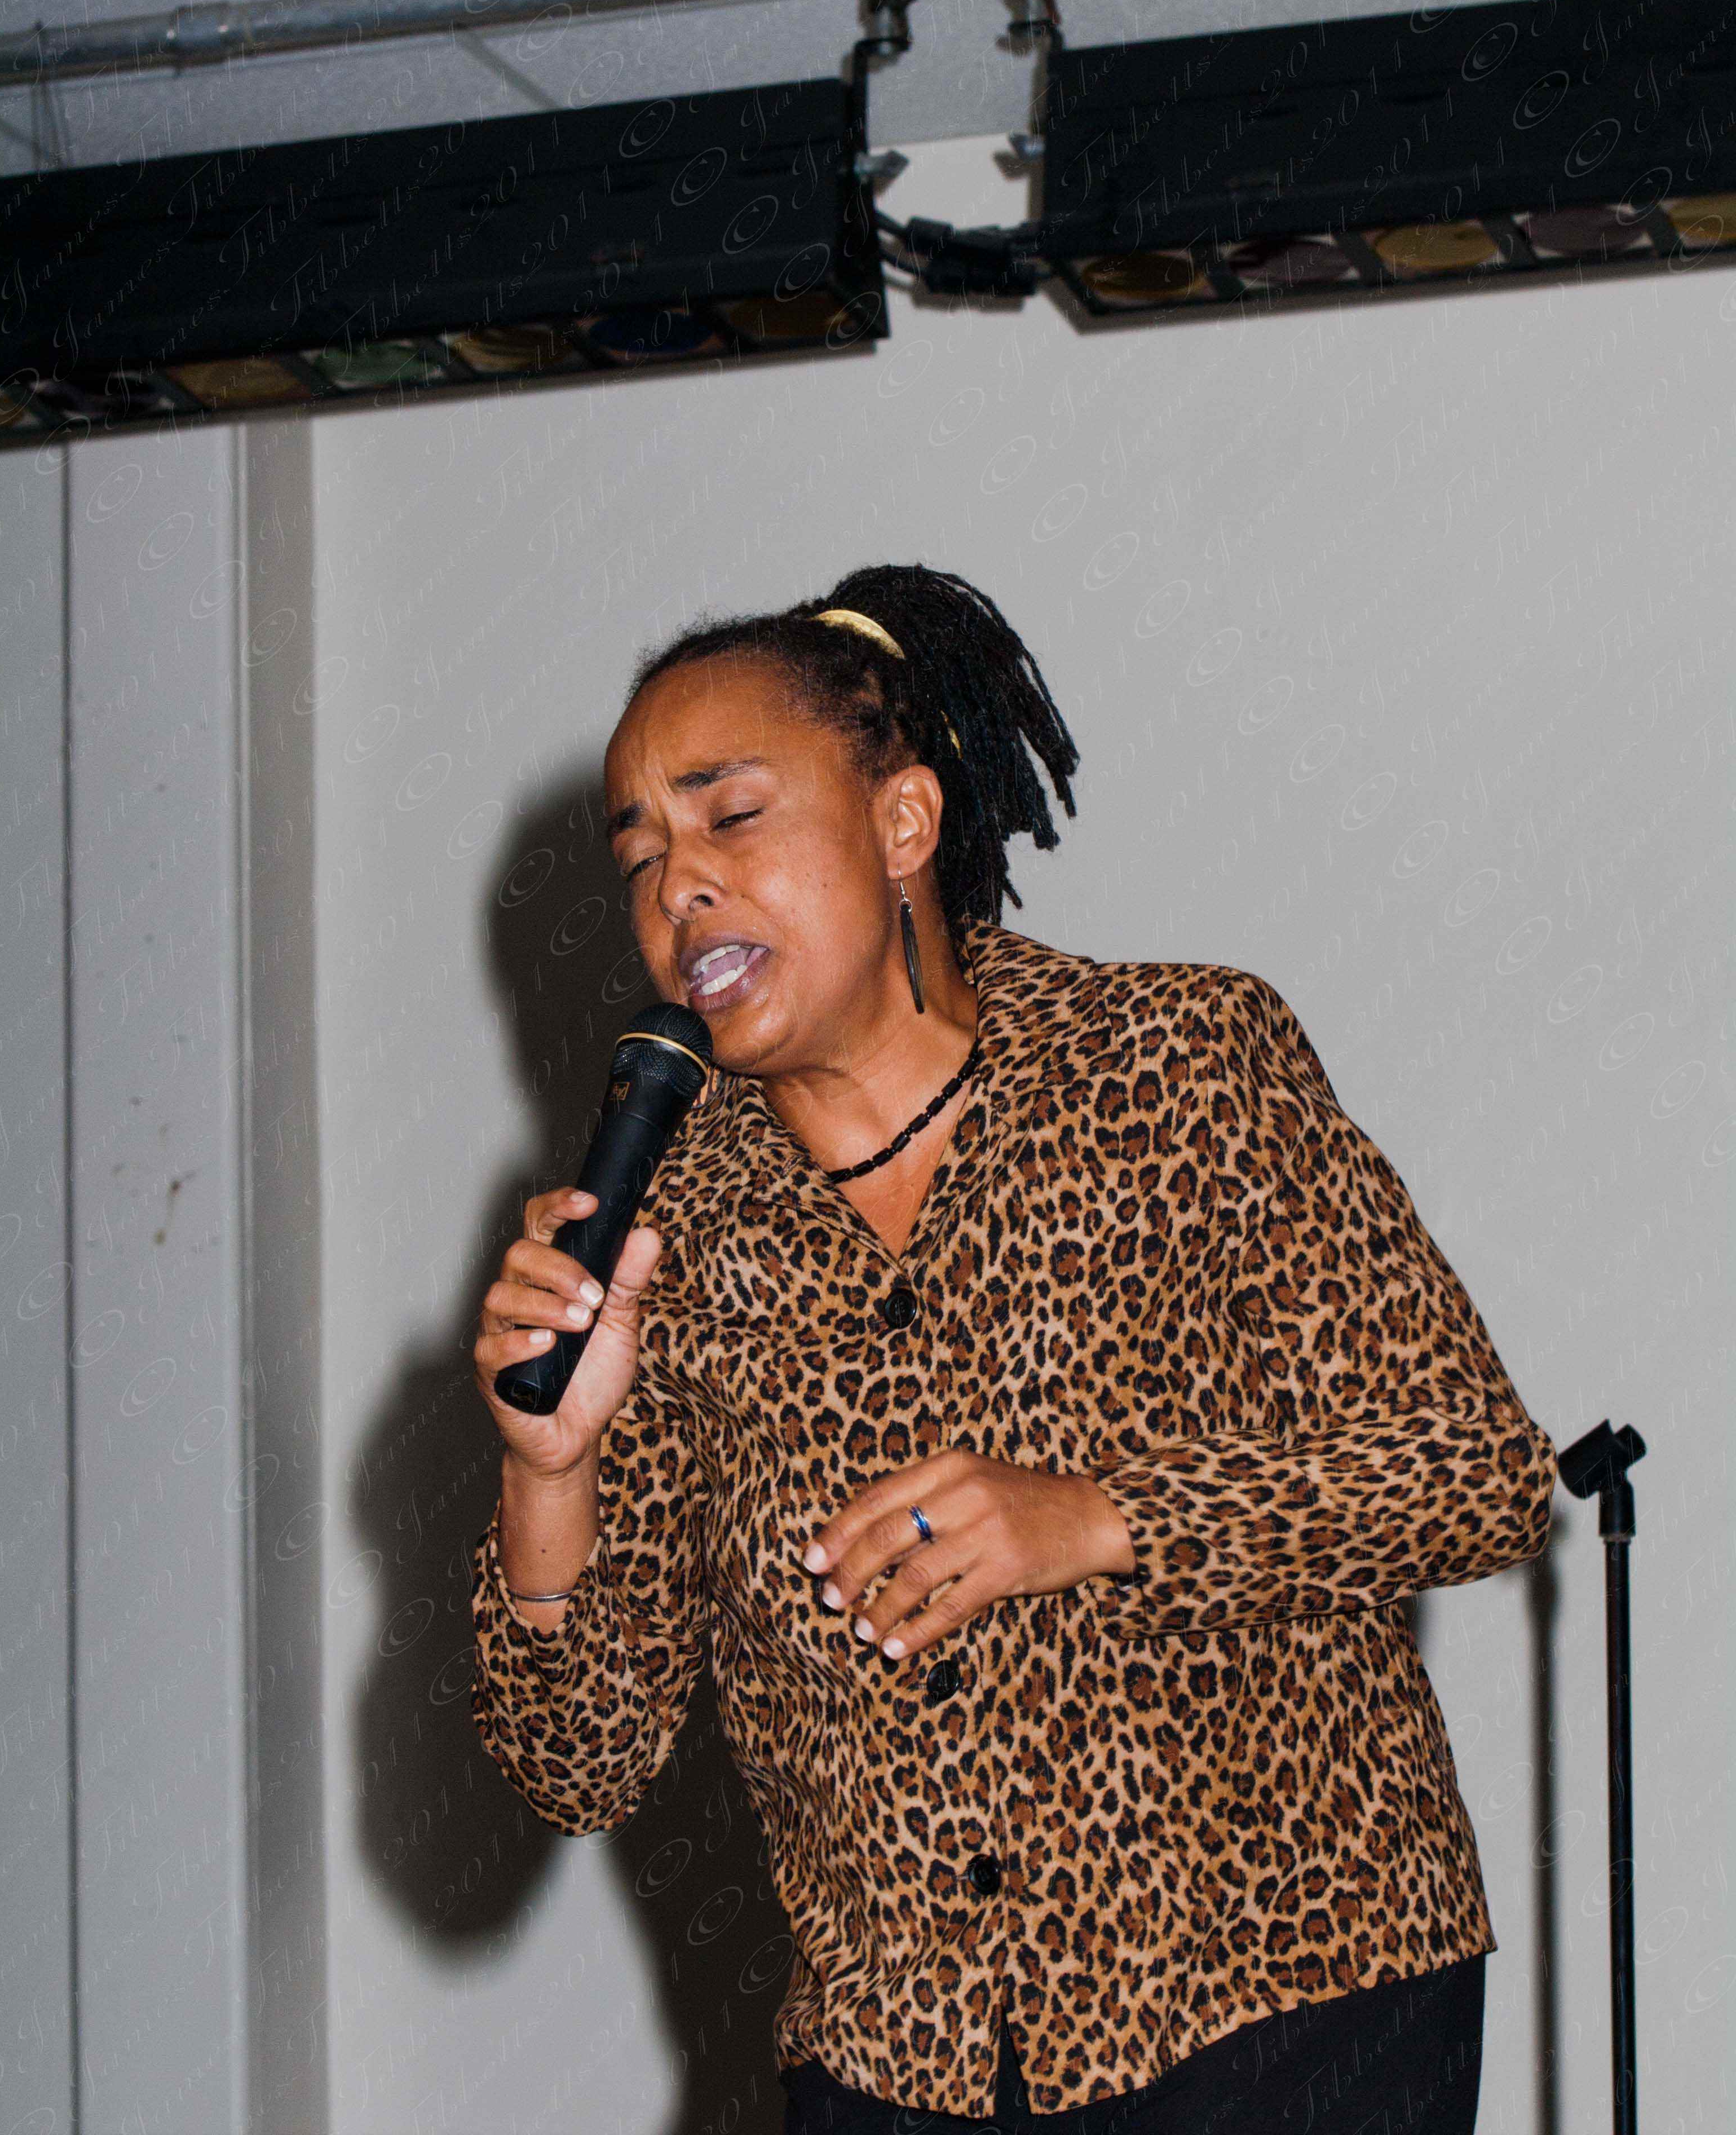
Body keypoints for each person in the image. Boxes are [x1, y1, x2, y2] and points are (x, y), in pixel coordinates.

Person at [468, 561, 1557, 2132]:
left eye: (732, 817)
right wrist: (548, 1470)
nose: (678, 886)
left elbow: (1474, 1473)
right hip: (901, 2062)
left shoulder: (1181, 1064)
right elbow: (576, 1761)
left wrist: (1099, 1518)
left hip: (1286, 2005)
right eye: (640, 855)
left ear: (903, 821)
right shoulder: (659, 1231)